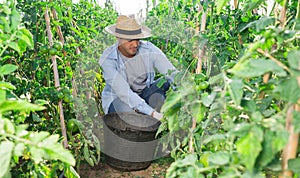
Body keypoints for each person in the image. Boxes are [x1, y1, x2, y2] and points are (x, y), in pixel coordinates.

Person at [99, 15, 177, 120]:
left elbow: (170, 71)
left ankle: (149, 119)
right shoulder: (108, 59)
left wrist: (187, 90)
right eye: (130, 40)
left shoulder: (148, 49)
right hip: (120, 100)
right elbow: (123, 92)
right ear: (118, 38)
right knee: (124, 112)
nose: (135, 44)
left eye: (137, 39)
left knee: (165, 82)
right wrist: (153, 113)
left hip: (144, 94)